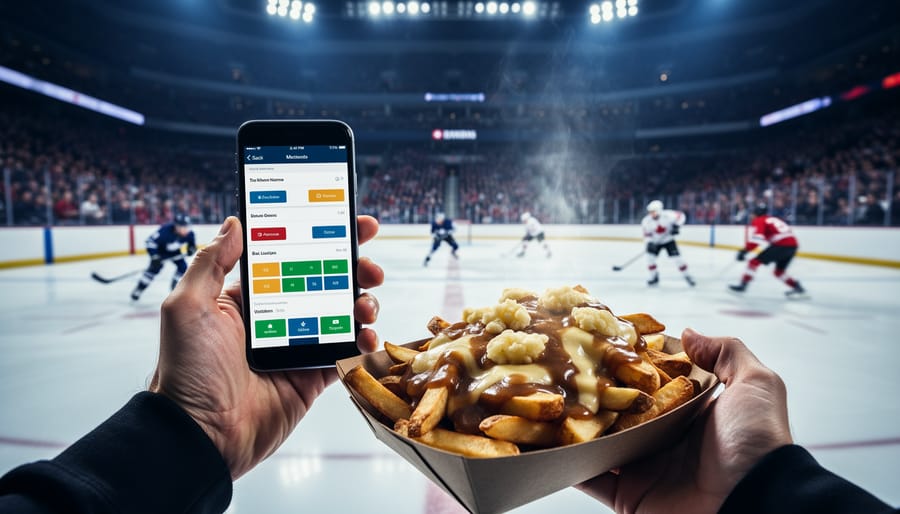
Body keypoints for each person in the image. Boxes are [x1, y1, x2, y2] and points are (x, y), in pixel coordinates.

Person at [0, 215, 385, 513]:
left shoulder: (182, 236)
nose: (184, 228)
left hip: (129, 477)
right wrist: (196, 422)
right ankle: (139, 289)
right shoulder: (164, 232)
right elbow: (158, 248)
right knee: (156, 270)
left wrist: (189, 429)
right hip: (159, 264)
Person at [729, 202, 806, 297]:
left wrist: (745, 251)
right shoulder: (773, 218)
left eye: (752, 214)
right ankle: (798, 288)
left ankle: (743, 285)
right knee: (779, 272)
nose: (751, 216)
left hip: (781, 245)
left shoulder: (760, 220)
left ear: (756, 214)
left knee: (753, 262)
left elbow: (757, 238)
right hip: (793, 246)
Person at [131, 213, 197, 301]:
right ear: (176, 226)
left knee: (183, 267)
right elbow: (149, 242)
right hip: (160, 252)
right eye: (183, 227)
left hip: (175, 253)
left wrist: (191, 249)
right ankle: (139, 288)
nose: (186, 230)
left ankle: (175, 285)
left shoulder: (189, 234)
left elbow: (191, 244)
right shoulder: (165, 231)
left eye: (187, 227)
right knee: (153, 270)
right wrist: (154, 256)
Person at [641, 200, 695, 287]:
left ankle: (687, 276)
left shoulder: (669, 215)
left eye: (653, 211)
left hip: (668, 240)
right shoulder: (646, 221)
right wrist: (649, 243)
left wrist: (676, 226)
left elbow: (681, 216)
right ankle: (654, 277)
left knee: (678, 259)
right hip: (655, 242)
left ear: (659, 210)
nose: (651, 214)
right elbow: (647, 235)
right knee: (650, 259)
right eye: (650, 212)